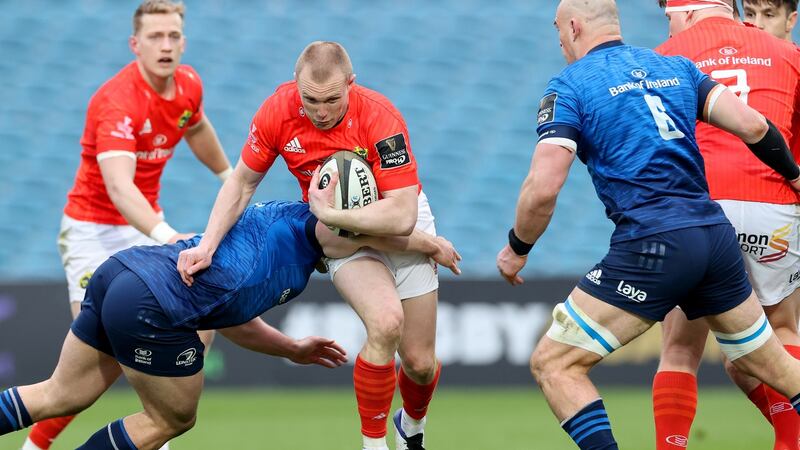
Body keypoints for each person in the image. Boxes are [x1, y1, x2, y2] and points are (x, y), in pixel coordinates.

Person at [495, 0, 800, 448]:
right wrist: (793, 174)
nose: (558, 39)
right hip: (713, 238)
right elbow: (754, 125)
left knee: (554, 363)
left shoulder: (571, 85)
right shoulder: (674, 67)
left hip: (654, 242)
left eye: (558, 28)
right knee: (772, 364)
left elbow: (542, 188)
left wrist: (517, 248)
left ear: (575, 26)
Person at [0, 191, 462, 450]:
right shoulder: (314, 230)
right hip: (151, 304)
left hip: (120, 273)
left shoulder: (276, 220)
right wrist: (427, 243)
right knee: (171, 419)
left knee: (61, 394)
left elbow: (229, 317)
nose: (360, 249)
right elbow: (355, 232)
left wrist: (291, 348)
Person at [177, 41, 439, 450]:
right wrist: (208, 245)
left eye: (332, 99)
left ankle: (413, 426)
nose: (320, 110)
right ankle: (374, 445)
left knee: (421, 364)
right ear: (295, 85)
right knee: (386, 323)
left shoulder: (381, 116)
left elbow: (402, 215)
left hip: (385, 217)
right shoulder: (277, 110)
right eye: (310, 99)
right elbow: (243, 181)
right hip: (339, 235)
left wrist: (335, 216)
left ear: (351, 84)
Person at [39, 1, 233, 449]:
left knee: (198, 310)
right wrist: (167, 235)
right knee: (90, 373)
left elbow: (196, 127)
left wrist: (230, 178)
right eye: (154, 37)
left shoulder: (187, 86)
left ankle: (159, 431)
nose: (165, 46)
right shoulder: (117, 102)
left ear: (183, 41)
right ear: (135, 44)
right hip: (93, 231)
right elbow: (121, 190)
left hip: (142, 228)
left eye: (172, 37)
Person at [651, 1, 800, 449]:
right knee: (782, 332)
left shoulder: (663, 57)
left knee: (680, 348)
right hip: (771, 202)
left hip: (700, 206)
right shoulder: (786, 54)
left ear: (688, 11)